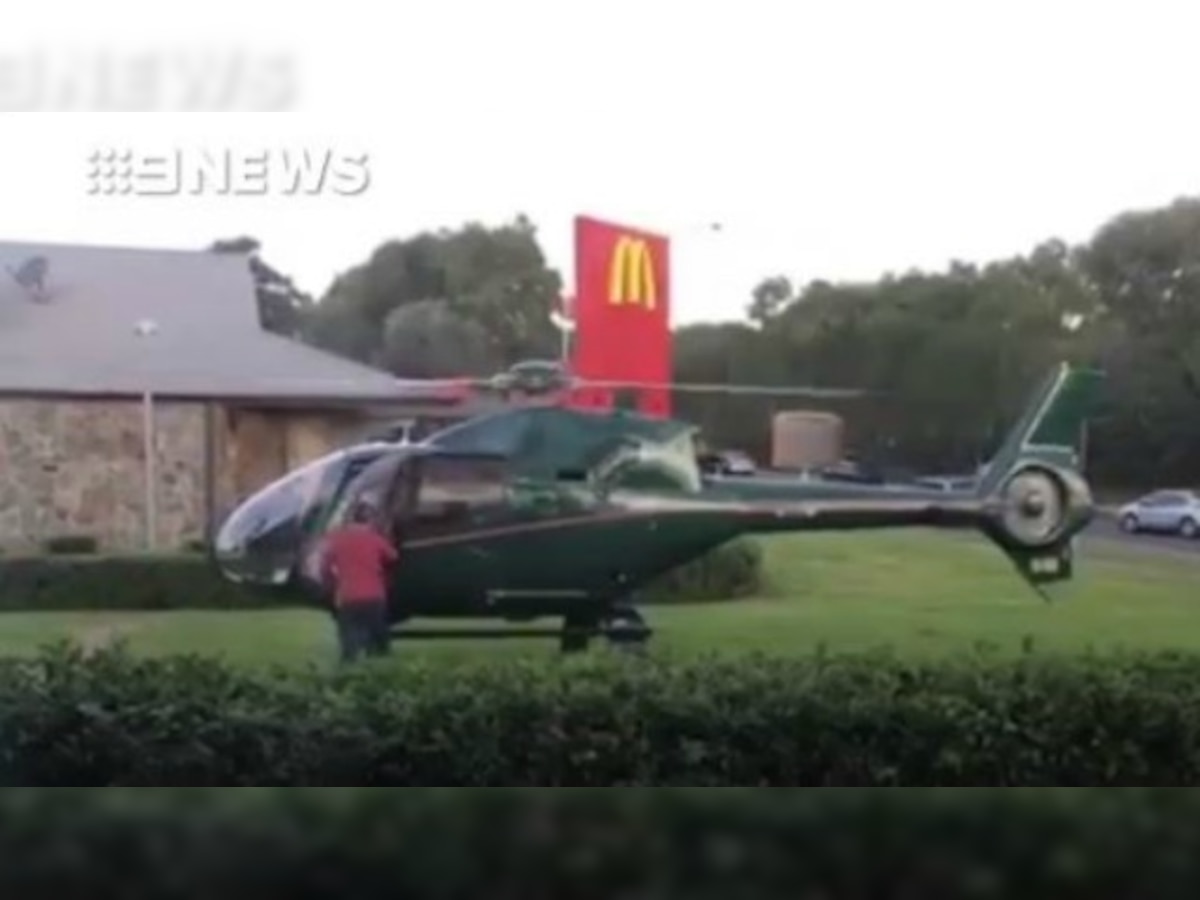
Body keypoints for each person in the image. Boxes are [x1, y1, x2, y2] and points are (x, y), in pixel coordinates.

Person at [318, 500, 398, 663]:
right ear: (369, 520)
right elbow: (393, 557)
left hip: (349, 596)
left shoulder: (337, 538)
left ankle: (350, 668)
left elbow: (324, 565)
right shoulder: (375, 539)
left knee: (349, 638)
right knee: (378, 638)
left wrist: (332, 581)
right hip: (375, 596)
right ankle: (380, 665)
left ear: (349, 519)